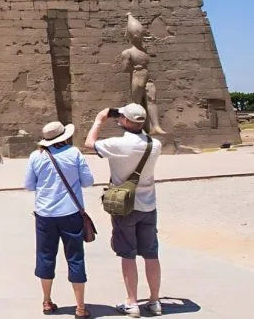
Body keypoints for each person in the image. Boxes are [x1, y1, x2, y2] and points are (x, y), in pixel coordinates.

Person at [85, 103, 163, 318]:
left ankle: (132, 302)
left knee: (128, 255)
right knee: (151, 254)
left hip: (125, 206)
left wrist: (100, 119)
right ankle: (155, 301)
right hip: (148, 206)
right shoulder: (154, 145)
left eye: (122, 117)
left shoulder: (116, 145)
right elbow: (140, 133)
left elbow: (89, 143)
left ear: (127, 121)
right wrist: (130, 120)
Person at [25, 122, 95, 318]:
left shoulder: (36, 156)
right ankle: (80, 307)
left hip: (45, 215)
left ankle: (47, 302)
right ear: (64, 137)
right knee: (75, 257)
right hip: (70, 214)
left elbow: (29, 185)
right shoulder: (74, 154)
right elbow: (88, 181)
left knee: (45, 256)